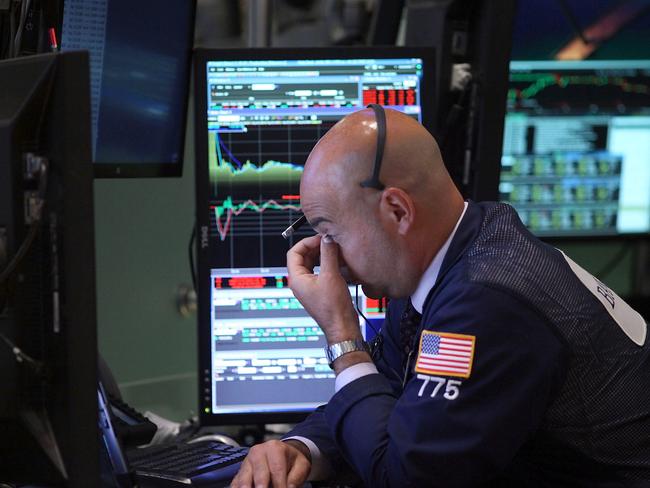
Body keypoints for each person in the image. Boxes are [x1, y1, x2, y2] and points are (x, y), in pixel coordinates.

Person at [230, 107, 650, 488]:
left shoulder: (487, 303)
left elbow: (407, 476)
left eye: (330, 233)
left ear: (397, 211)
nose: (329, 258)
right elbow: (394, 392)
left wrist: (343, 338)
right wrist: (302, 448)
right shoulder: (461, 248)